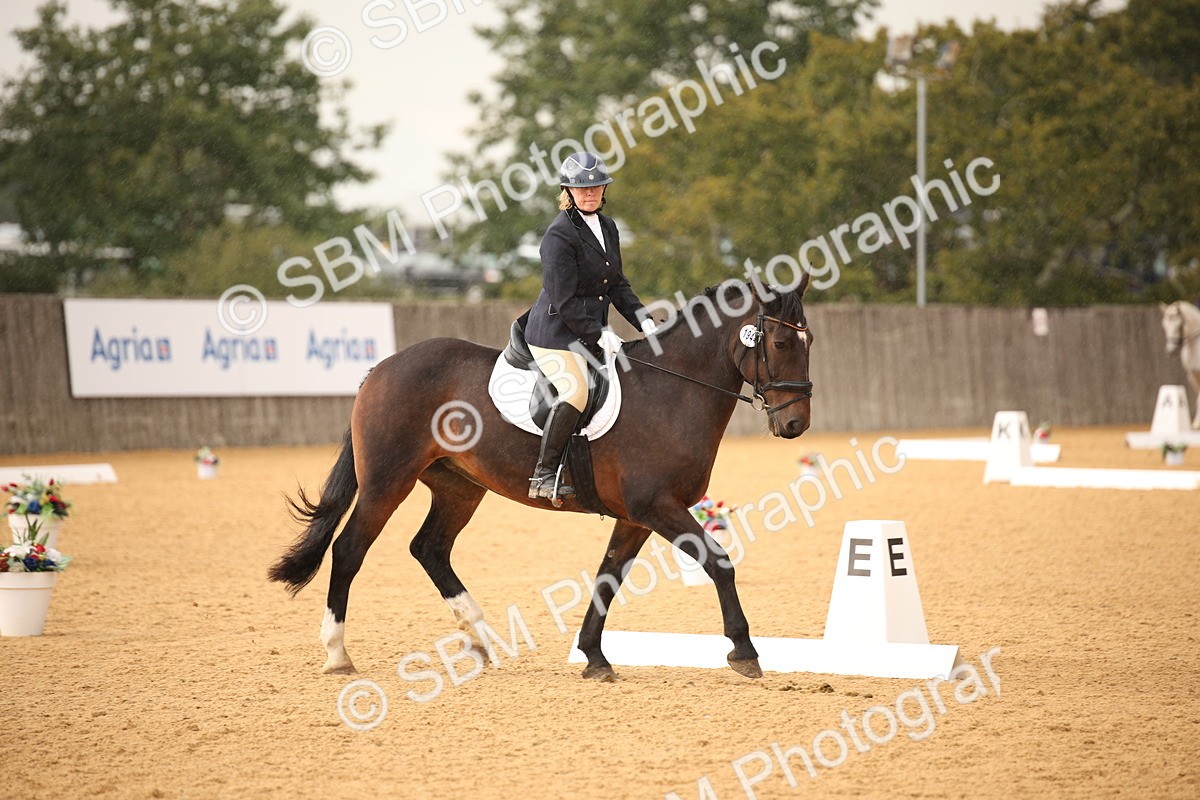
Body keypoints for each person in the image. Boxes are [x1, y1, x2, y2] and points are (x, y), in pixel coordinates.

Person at [523, 151, 657, 499]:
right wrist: (599, 333)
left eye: (596, 186)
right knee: (576, 392)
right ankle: (544, 474)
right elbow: (564, 299)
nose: (591, 193)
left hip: (589, 334)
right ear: (567, 190)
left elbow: (616, 284)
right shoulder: (559, 235)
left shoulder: (608, 227)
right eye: (582, 189)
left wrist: (644, 320)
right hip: (554, 335)